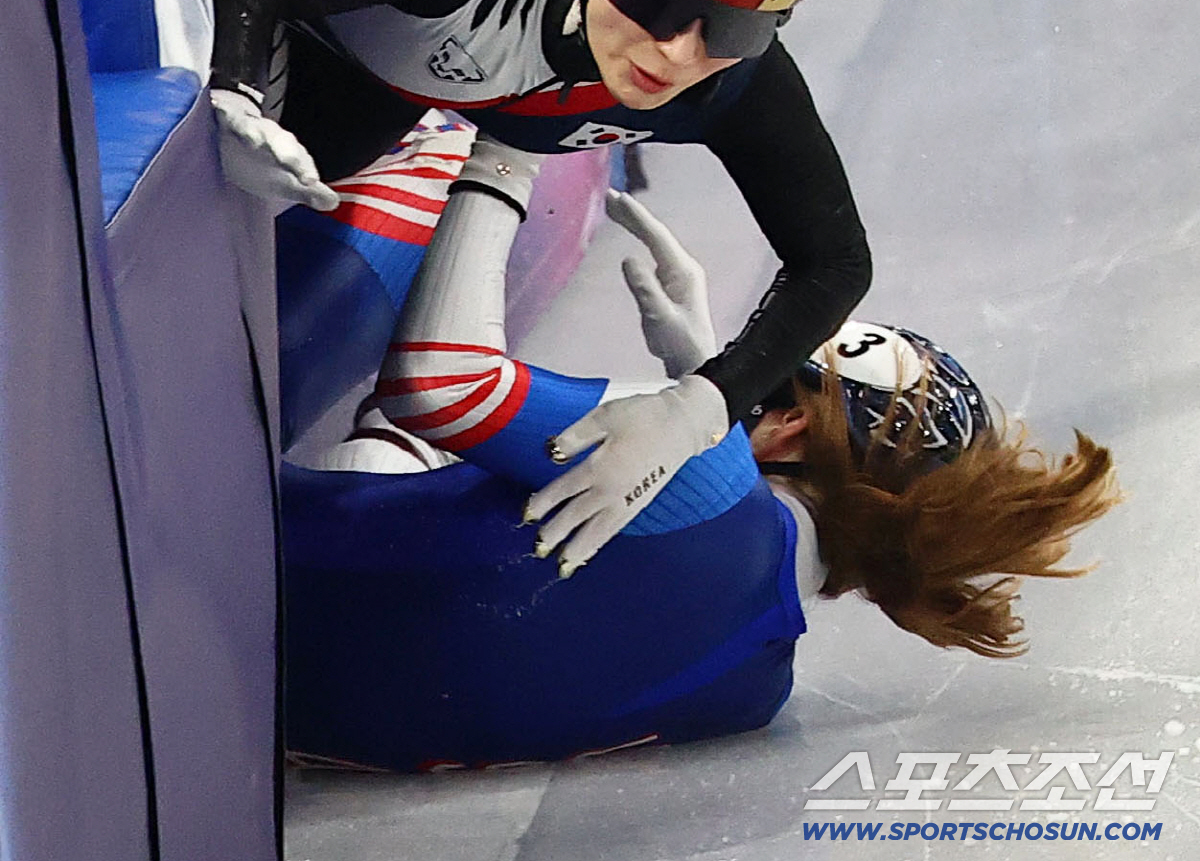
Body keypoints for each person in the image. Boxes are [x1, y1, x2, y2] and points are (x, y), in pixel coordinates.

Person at [211, 0, 871, 562]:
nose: (677, 52)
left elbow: (836, 259)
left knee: (344, 138)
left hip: (385, 65)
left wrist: (698, 404)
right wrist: (232, 90)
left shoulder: (728, 81)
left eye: (734, 25)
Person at [279, 130, 1119, 771]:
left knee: (447, 169)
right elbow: (659, 575)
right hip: (285, 720)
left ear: (788, 428)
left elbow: (437, 384)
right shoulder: (758, 689)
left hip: (242, 568)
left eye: (774, 371)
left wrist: (509, 144)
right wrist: (698, 369)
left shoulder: (699, 468)